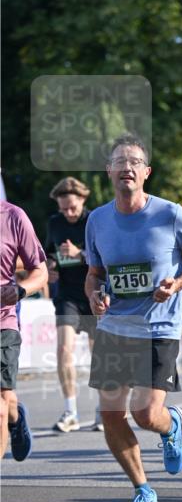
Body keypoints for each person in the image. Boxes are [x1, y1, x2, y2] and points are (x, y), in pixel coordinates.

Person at [84, 133, 182, 502]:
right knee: (110, 414)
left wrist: (177, 284)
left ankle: (170, 423)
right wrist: (94, 295)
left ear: (146, 173)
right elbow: (94, 274)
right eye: (119, 162)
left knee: (144, 414)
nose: (127, 167)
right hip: (115, 327)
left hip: (159, 327)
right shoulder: (97, 220)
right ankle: (143, 490)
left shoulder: (170, 214)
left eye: (134, 162)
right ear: (109, 171)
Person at [45, 177, 102, 432]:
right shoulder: (54, 223)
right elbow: (48, 254)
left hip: (93, 293)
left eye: (72, 208)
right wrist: (51, 267)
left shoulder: (95, 221)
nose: (68, 213)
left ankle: (104, 410)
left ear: (82, 200)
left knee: (98, 354)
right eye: (63, 208)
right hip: (67, 295)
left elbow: (106, 258)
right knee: (63, 350)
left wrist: (79, 254)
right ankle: (71, 411)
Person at [0, 201, 48, 461]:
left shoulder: (14, 216)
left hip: (2, 321)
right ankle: (15, 417)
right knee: (6, 400)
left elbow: (40, 272)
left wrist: (20, 290)